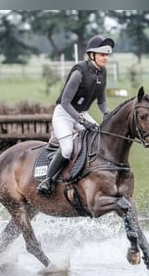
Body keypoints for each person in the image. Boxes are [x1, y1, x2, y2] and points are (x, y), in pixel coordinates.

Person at [37, 35, 114, 196]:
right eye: (102, 55)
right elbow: (65, 102)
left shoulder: (102, 72)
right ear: (92, 55)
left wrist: (106, 113)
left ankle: (90, 174)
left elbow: (101, 100)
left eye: (107, 55)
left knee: (99, 139)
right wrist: (82, 121)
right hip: (64, 114)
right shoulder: (79, 72)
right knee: (67, 149)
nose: (105, 58)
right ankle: (48, 181)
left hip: (81, 113)